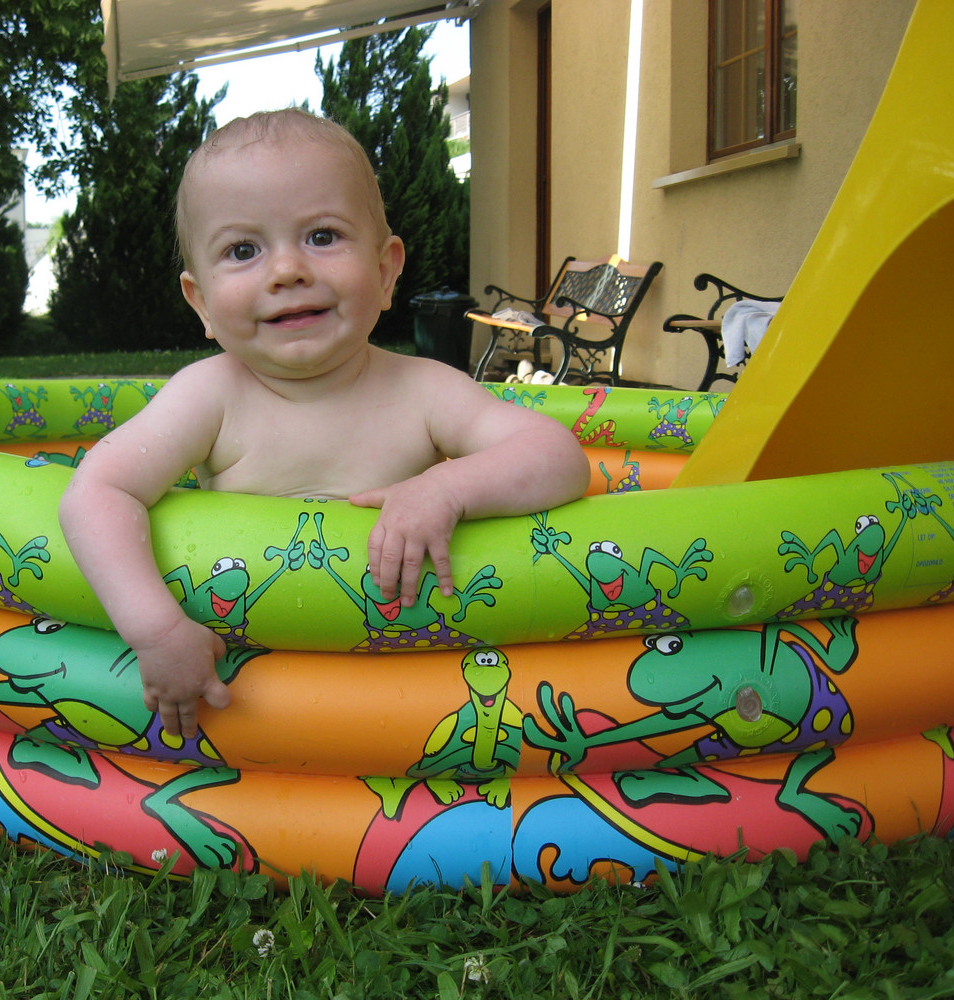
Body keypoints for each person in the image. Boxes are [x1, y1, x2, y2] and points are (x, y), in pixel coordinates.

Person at [59, 109, 589, 739]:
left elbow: (557, 455)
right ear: (201, 303)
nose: (287, 270)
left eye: (322, 236)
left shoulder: (423, 390)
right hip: (253, 691)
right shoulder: (209, 396)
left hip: (408, 690)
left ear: (386, 271)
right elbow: (96, 492)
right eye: (243, 250)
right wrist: (156, 628)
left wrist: (445, 488)